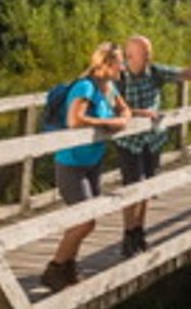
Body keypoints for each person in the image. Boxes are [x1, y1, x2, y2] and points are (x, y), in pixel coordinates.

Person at [114, 35, 191, 256]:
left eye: (149, 52)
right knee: (133, 187)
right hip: (129, 142)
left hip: (152, 138)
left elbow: (183, 73)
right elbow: (112, 108)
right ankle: (128, 234)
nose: (149, 56)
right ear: (130, 55)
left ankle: (139, 231)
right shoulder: (119, 76)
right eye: (145, 53)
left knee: (148, 187)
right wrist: (141, 114)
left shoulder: (155, 71)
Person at [38, 41, 132, 292]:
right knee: (85, 222)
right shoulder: (85, 86)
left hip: (92, 161)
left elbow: (125, 110)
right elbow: (74, 119)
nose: (123, 68)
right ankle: (54, 268)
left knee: (85, 218)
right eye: (119, 63)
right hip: (71, 163)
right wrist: (107, 122)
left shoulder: (109, 87)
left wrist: (122, 118)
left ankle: (68, 266)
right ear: (106, 64)